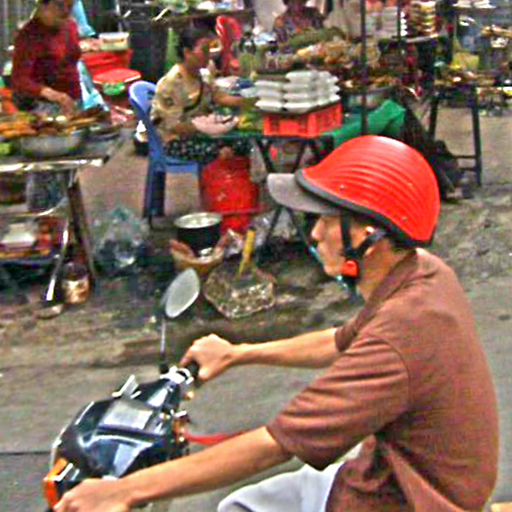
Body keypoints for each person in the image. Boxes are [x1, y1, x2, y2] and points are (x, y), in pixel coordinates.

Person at [55, 135, 499, 512]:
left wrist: (123, 491)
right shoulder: (423, 275)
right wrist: (240, 353)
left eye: (327, 220)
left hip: (408, 500)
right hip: (387, 476)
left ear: (369, 235)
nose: (315, 234)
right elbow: (340, 341)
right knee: (240, 505)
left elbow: (275, 444)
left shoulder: (398, 337)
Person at [150, 25, 251, 164]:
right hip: (175, 139)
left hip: (200, 131)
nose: (208, 56)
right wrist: (207, 129)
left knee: (244, 143)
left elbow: (220, 97)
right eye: (204, 51)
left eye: (209, 50)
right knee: (222, 153)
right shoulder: (172, 83)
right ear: (187, 52)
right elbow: (173, 125)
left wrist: (249, 102)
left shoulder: (203, 75)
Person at [12, 0, 81, 116]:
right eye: (59, 5)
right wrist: (54, 95)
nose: (66, 11)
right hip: (44, 105)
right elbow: (20, 79)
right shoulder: (29, 35)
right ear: (42, 5)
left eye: (70, 6)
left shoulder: (71, 26)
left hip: (74, 98)